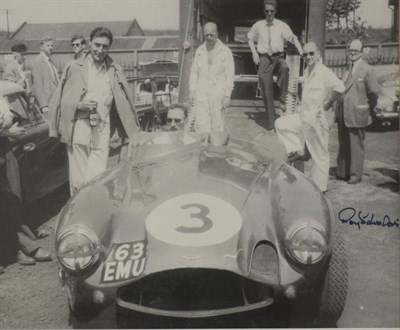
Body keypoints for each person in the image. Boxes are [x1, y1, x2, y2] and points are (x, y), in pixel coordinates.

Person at [49, 27, 139, 195]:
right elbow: (60, 100)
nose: (100, 50)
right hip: (79, 127)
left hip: (102, 129)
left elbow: (125, 100)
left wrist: (133, 131)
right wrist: (79, 105)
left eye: (105, 46)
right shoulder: (74, 67)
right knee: (78, 183)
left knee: (98, 180)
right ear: (89, 43)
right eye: (97, 45)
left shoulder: (114, 69)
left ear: (109, 47)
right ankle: (77, 218)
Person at [275, 42, 345, 193]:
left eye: (311, 53)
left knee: (320, 155)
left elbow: (340, 87)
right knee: (281, 123)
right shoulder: (307, 71)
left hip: (317, 119)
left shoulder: (323, 71)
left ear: (318, 54)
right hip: (304, 115)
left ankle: (320, 190)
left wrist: (326, 105)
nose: (308, 57)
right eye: (305, 54)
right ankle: (298, 150)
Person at [0, 96, 52, 268]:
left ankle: (17, 248)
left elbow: (6, 117)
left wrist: (5, 127)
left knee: (11, 200)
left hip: (3, 148)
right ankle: (23, 247)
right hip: (4, 138)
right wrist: (5, 131)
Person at [248, 0, 303, 130]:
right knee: (266, 87)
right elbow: (250, 38)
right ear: (264, 12)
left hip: (278, 57)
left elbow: (293, 38)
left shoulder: (282, 25)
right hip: (264, 58)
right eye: (267, 11)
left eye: (272, 11)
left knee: (285, 68)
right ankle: (272, 125)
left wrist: (301, 51)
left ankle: (282, 100)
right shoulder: (258, 25)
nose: (269, 14)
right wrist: (254, 53)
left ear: (276, 11)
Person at [336, 39, 379, 184]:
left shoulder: (368, 69)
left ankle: (355, 175)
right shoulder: (347, 68)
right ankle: (343, 172)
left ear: (362, 52)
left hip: (358, 112)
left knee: (356, 144)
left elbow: (373, 92)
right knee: (344, 142)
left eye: (356, 50)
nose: (353, 53)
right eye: (351, 50)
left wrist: (369, 108)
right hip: (343, 111)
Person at [187, 22, 234, 134]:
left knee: (217, 124)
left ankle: (216, 149)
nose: (209, 38)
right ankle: (202, 148)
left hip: (218, 91)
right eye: (206, 35)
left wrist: (227, 95)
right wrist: (192, 90)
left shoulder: (225, 52)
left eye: (211, 35)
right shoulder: (200, 51)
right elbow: (194, 72)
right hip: (202, 90)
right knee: (201, 124)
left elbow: (230, 75)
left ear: (217, 34)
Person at [31, 37, 59, 113]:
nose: (51, 48)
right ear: (41, 47)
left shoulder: (51, 61)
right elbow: (37, 85)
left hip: (55, 101)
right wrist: (44, 105)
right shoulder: (38, 61)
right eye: (48, 45)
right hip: (47, 104)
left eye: (52, 45)